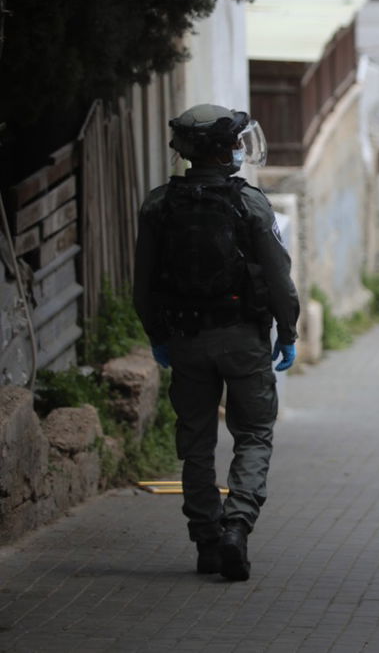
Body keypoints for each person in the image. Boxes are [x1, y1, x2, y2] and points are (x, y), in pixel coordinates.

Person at [133, 104, 299, 581]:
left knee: (196, 442)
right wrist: (287, 332)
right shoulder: (250, 203)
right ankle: (236, 527)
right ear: (226, 151)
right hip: (243, 338)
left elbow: (143, 286)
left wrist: (158, 336)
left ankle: (206, 540)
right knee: (254, 433)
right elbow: (279, 278)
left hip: (185, 340)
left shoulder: (158, 205)